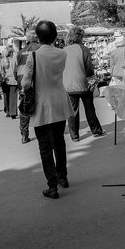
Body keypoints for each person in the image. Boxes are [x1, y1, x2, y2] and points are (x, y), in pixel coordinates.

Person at [21, 20, 74, 199]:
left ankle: (52, 186)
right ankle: (62, 177)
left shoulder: (34, 56)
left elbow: (26, 83)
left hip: (42, 103)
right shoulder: (62, 53)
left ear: (38, 37)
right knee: (59, 142)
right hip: (59, 100)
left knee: (45, 146)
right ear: (54, 36)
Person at [63, 26, 106, 140]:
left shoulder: (63, 50)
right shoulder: (84, 49)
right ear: (80, 37)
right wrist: (92, 81)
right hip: (83, 84)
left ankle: (74, 135)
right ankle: (96, 130)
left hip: (68, 85)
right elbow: (89, 69)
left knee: (72, 111)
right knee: (89, 108)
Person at [1, 45, 19, 119]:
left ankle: (7, 111)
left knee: (6, 96)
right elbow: (16, 70)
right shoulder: (14, 59)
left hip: (5, 80)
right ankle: (13, 113)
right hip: (13, 80)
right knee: (13, 97)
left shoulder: (3, 60)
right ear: (11, 52)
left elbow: (1, 71)